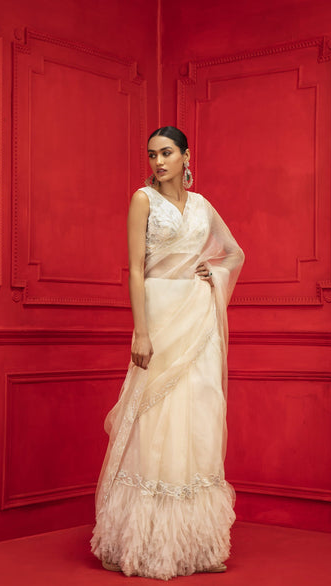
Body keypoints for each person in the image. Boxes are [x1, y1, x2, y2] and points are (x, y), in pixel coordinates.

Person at [90, 126, 244, 580]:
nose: (159, 162)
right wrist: (140, 331)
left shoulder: (202, 206)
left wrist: (209, 272)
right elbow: (135, 271)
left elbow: (233, 255)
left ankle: (197, 547)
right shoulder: (144, 200)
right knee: (154, 421)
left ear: (186, 156)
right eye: (153, 154)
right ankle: (145, 542)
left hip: (197, 320)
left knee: (197, 417)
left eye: (168, 153)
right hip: (158, 316)